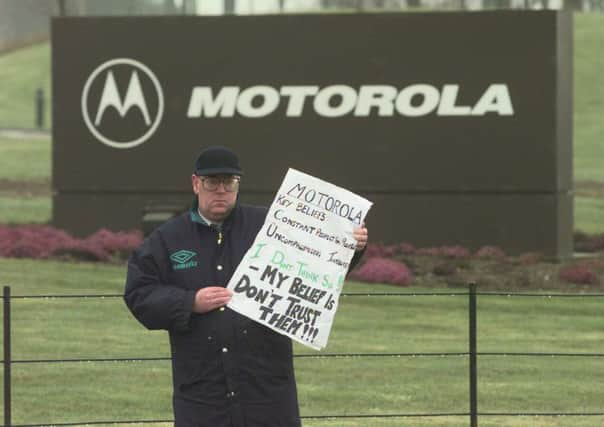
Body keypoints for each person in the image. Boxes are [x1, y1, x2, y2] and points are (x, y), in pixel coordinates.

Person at [124, 146, 369, 427]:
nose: (220, 190)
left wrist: (352, 245)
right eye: (211, 182)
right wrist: (189, 302)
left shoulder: (270, 225)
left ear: (238, 185)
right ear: (195, 184)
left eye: (228, 182)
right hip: (201, 393)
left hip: (267, 390)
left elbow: (318, 267)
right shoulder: (168, 239)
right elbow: (138, 292)